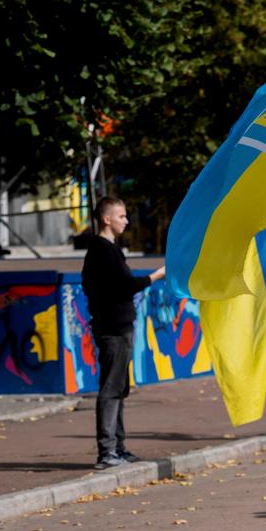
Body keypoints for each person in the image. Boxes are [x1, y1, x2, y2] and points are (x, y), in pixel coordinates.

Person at [82, 196, 165, 470]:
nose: (126, 221)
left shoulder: (109, 250)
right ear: (107, 219)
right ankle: (107, 451)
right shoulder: (102, 250)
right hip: (113, 329)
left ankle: (118, 446)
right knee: (111, 389)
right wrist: (157, 276)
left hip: (120, 327)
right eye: (121, 216)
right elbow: (126, 285)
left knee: (119, 388)